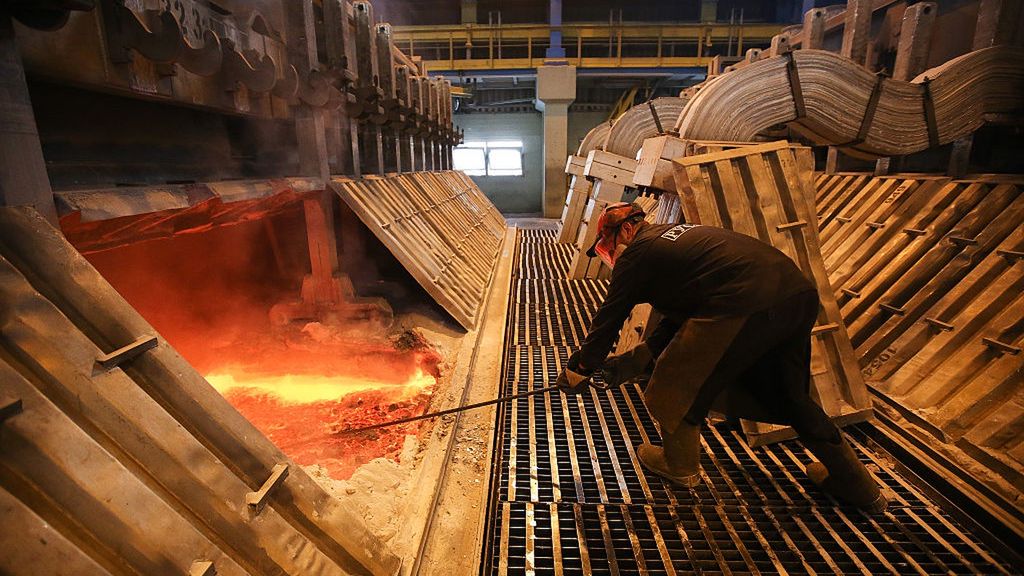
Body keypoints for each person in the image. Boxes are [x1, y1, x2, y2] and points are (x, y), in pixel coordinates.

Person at [556, 201, 885, 513]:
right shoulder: (675, 236)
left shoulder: (637, 254)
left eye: (607, 248)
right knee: (789, 395)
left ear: (626, 230)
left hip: (743, 302)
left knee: (675, 382)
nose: (612, 255)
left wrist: (581, 368)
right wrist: (637, 359)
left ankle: (679, 465)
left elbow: (609, 317)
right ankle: (857, 484)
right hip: (795, 294)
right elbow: (682, 313)